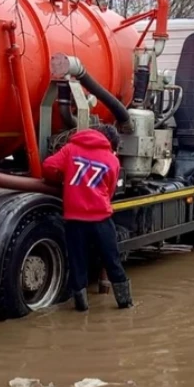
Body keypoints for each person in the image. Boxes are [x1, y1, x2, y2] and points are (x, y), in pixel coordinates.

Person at [42, 125, 133, 311]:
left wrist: (62, 178)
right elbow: (111, 189)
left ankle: (81, 308)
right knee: (112, 260)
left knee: (78, 262)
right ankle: (125, 304)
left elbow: (49, 166)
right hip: (101, 218)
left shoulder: (71, 149)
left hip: (75, 219)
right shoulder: (112, 159)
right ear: (111, 143)